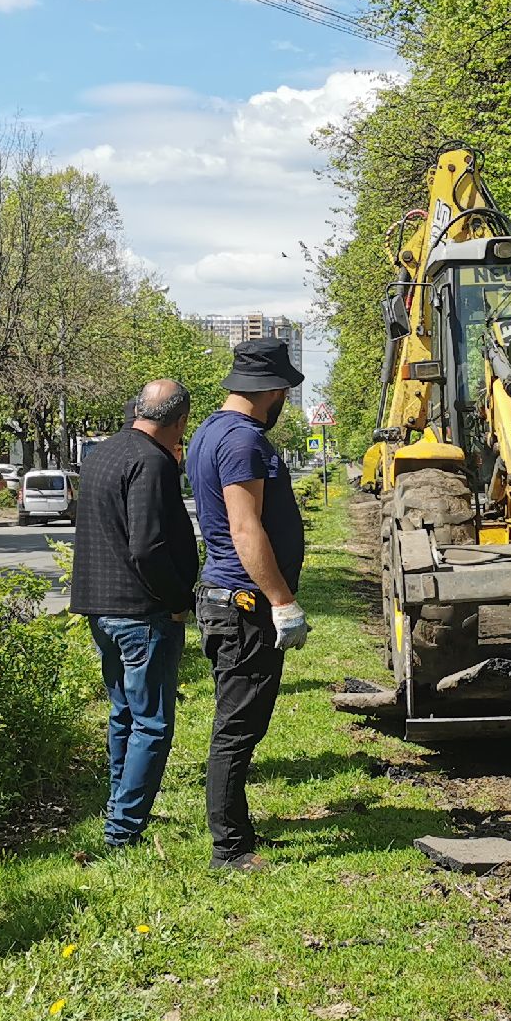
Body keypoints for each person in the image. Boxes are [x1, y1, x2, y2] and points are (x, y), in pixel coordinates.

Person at [188, 338, 308, 872]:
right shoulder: (243, 442)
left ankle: (240, 831)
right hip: (243, 604)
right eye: (283, 390)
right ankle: (230, 849)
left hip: (228, 600)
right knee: (237, 726)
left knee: (241, 722)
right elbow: (243, 526)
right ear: (272, 391)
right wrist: (280, 599)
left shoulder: (211, 431)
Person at [70, 379, 199, 850]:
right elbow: (147, 547)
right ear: (180, 421)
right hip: (143, 613)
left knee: (124, 714)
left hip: (100, 609)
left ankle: (118, 808)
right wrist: (179, 599)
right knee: (152, 723)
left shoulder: (102, 454)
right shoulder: (151, 461)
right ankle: (123, 831)